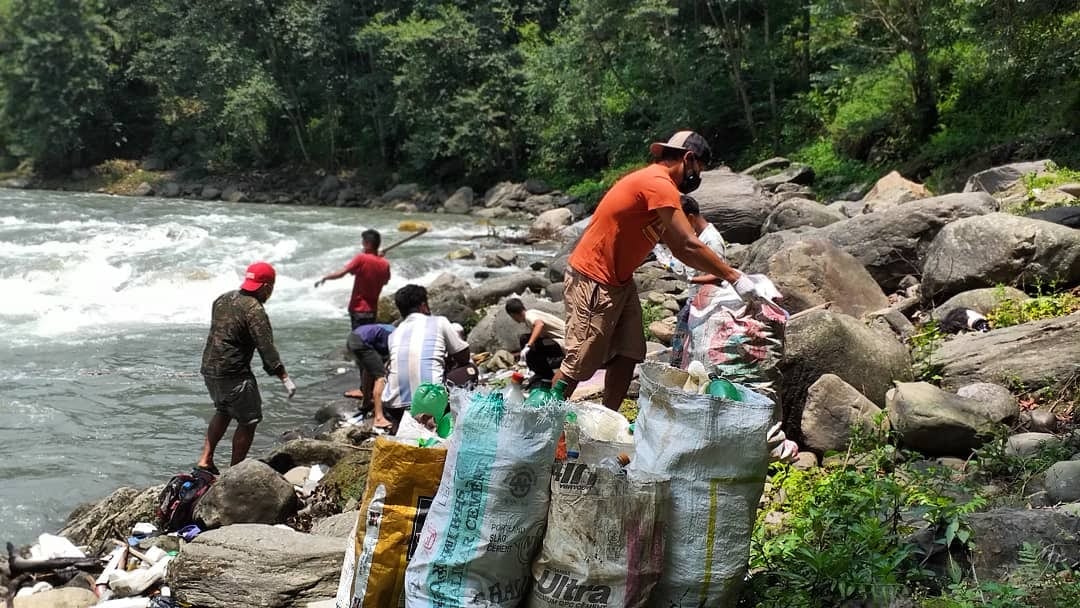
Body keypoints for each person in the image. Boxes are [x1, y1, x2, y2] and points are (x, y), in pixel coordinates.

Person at [551, 131, 771, 411]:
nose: (696, 178)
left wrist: (724, 275)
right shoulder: (658, 182)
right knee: (580, 361)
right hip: (594, 278)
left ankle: (606, 420)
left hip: (620, 282)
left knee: (629, 352)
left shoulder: (660, 190)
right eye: (697, 170)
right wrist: (734, 277)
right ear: (688, 159)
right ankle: (541, 426)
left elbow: (678, 249)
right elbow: (689, 242)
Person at [197, 262, 296, 474]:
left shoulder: (222, 299)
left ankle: (205, 460)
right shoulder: (254, 310)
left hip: (209, 369)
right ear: (267, 287)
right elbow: (266, 348)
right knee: (249, 420)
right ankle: (235, 471)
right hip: (234, 373)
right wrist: (284, 377)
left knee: (223, 410)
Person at [381, 284, 475, 429]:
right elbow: (463, 356)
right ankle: (456, 419)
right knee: (470, 368)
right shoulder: (439, 322)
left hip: (395, 408)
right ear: (423, 306)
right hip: (429, 405)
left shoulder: (394, 334)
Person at [314, 229, 391, 329]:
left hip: (358, 308)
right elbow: (384, 282)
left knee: (358, 339)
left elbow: (342, 273)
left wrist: (325, 277)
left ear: (367, 243)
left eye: (363, 241)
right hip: (372, 310)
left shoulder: (361, 258)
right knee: (367, 337)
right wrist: (377, 258)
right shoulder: (385, 263)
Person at [505, 298, 565, 387]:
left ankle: (544, 375)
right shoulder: (532, 313)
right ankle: (544, 374)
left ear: (513, 314)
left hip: (564, 341)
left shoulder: (529, 316)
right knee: (530, 342)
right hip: (562, 340)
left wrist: (528, 345)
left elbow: (539, 324)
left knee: (524, 339)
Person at [346, 323, 396, 432]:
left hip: (353, 338)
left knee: (368, 369)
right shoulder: (397, 336)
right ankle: (379, 417)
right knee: (381, 377)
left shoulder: (391, 330)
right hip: (362, 342)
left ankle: (366, 402)